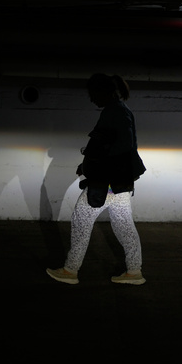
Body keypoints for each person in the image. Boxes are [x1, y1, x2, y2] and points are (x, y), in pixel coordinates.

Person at [47, 74, 146, 285]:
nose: (92, 99)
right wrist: (87, 165)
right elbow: (113, 146)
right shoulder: (120, 110)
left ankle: (70, 270)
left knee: (81, 221)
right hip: (119, 183)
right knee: (124, 226)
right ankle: (134, 271)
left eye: (94, 94)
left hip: (107, 182)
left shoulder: (115, 112)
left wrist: (96, 165)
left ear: (104, 92)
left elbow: (118, 146)